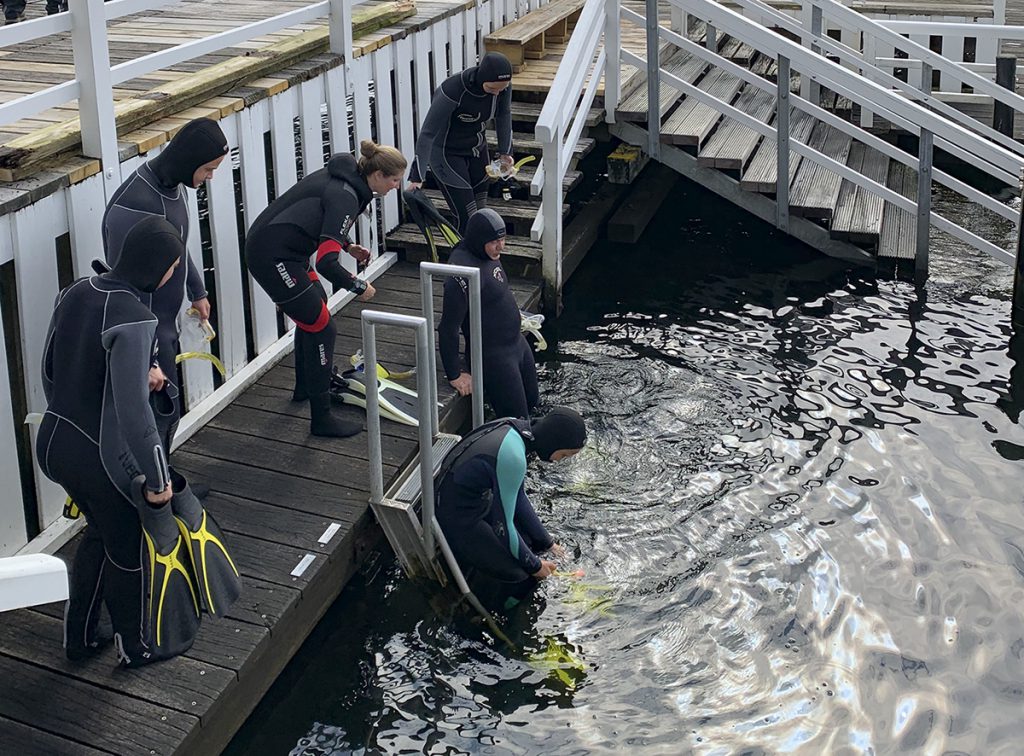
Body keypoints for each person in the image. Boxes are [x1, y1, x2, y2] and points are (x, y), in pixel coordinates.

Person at [37, 217, 239, 667]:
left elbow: (51, 368)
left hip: (54, 438)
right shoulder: (136, 317)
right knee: (125, 546)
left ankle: (81, 637)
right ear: (160, 269)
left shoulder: (77, 290)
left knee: (99, 531)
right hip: (96, 456)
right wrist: (157, 479)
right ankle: (136, 646)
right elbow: (134, 413)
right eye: (173, 266)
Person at [244, 139, 407, 437]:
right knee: (322, 326)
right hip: (273, 256)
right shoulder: (345, 195)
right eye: (395, 180)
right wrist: (358, 285)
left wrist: (347, 245)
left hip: (287, 249)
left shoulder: (349, 181)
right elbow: (326, 264)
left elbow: (322, 222)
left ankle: (305, 388)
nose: (396, 186)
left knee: (314, 309)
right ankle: (322, 420)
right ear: (378, 175)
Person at [103, 117, 229, 493]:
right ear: (189, 160)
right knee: (153, 414)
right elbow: (126, 288)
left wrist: (197, 289)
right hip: (146, 331)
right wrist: (148, 358)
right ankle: (152, 488)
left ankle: (164, 479)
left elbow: (177, 246)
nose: (210, 177)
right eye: (208, 169)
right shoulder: (135, 206)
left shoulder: (174, 186)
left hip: (165, 324)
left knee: (167, 410)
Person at [435, 408, 587, 611]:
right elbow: (502, 527)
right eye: (565, 454)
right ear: (554, 441)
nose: (560, 460)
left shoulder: (515, 426)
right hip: (456, 520)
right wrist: (535, 566)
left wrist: (547, 543)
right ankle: (496, 614)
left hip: (470, 501)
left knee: (532, 545)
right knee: (521, 574)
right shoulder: (514, 458)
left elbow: (518, 496)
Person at [439, 208, 538, 420]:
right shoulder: (461, 272)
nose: (500, 246)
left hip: (516, 344)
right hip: (495, 357)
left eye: (502, 239)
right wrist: (454, 374)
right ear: (479, 240)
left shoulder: (487, 252)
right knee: (517, 421)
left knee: (533, 403)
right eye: (494, 242)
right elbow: (448, 327)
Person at [406, 52, 514, 233]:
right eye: (492, 89)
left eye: (502, 89)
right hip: (446, 155)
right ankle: (460, 258)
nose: (497, 93)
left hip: (477, 150)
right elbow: (427, 134)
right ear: (482, 79)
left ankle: (480, 258)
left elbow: (504, 115)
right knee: (467, 216)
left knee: (482, 213)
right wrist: (417, 177)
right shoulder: (453, 90)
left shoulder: (502, 87)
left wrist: (505, 152)